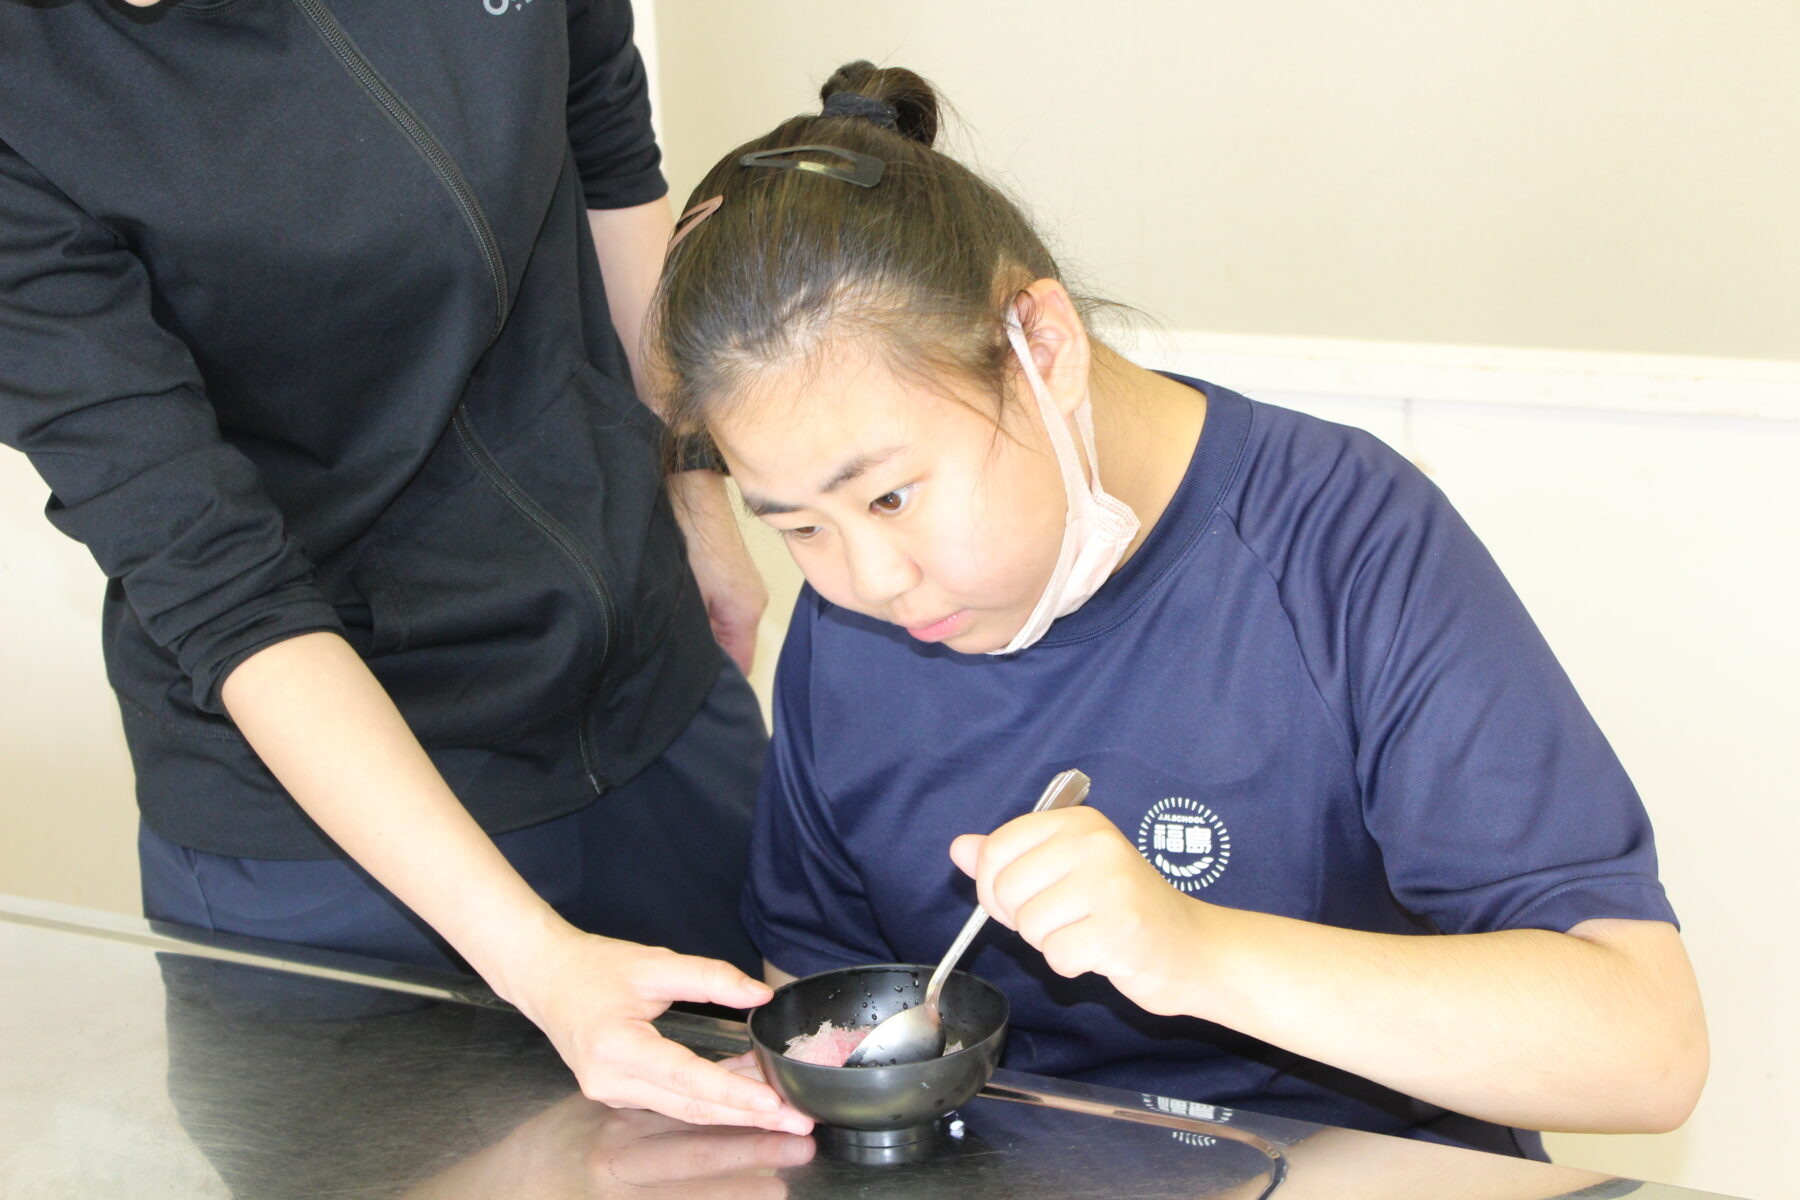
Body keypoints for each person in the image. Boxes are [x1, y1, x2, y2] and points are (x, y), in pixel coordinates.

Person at [647, 61, 1709, 1157]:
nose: (864, 578)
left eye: (890, 495)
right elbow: (825, 1006)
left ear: (1041, 350)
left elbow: (1646, 1046)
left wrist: (1196, 950)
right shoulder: (855, 628)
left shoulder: (1343, 540)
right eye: (797, 527)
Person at [0, 0, 809, 1135]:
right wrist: (541, 965)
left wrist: (692, 483)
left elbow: (605, 142)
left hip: (647, 712)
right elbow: (219, 583)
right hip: (326, 835)